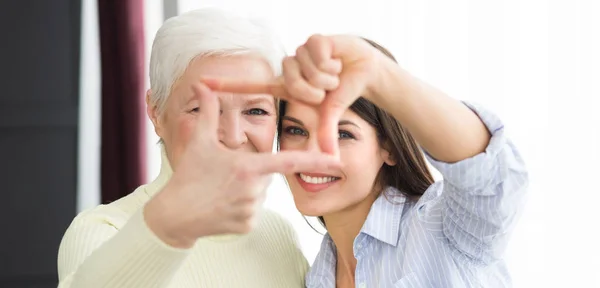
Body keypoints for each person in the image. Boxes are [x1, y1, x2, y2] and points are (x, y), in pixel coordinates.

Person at [206, 35, 529, 287]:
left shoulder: (442, 230)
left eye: (343, 134)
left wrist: (379, 73)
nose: (313, 153)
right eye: (295, 130)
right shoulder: (316, 277)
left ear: (388, 147)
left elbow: (486, 171)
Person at [57, 9, 342, 288]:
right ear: (156, 112)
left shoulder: (277, 234)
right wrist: (172, 227)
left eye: (256, 110)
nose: (233, 137)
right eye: (201, 109)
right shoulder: (102, 231)